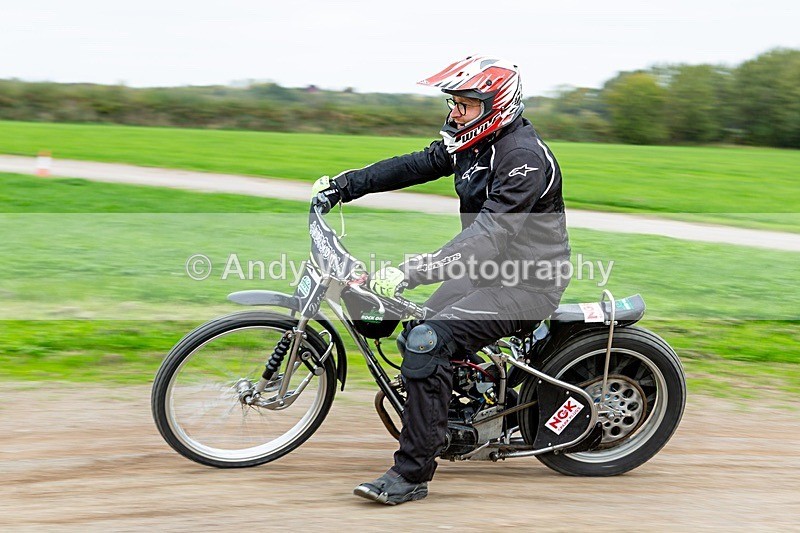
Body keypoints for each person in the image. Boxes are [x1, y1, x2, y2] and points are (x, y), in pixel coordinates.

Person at [312, 55, 571, 505]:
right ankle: (461, 413)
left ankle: (411, 474)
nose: (455, 112)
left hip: (527, 284)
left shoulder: (522, 159)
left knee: (427, 341)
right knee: (413, 328)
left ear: (496, 106)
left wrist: (412, 271)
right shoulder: (473, 142)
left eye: (464, 105)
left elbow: (489, 235)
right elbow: (414, 165)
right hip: (488, 274)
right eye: (453, 103)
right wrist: (344, 186)